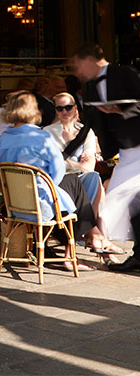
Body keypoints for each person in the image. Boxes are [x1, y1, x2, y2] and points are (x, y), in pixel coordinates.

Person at [0, 90, 117, 267]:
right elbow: (58, 172)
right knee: (75, 183)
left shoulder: (5, 137)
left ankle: (92, 237)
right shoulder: (41, 136)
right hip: (40, 204)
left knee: (85, 181)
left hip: (15, 204)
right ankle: (94, 237)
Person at [72, 43, 140, 272]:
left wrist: (121, 111)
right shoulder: (89, 86)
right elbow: (88, 123)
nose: (77, 72)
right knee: (125, 202)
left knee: (119, 200)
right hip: (124, 151)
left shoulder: (124, 73)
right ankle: (138, 254)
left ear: (91, 60)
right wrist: (64, 151)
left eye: (79, 66)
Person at [45, 91, 103, 211]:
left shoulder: (86, 132)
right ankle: (88, 225)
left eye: (68, 107)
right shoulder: (47, 132)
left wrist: (63, 162)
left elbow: (89, 167)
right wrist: (76, 164)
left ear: (75, 107)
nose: (65, 111)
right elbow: (48, 165)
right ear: (56, 110)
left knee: (94, 177)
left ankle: (86, 223)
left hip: (80, 178)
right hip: (57, 181)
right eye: (60, 108)